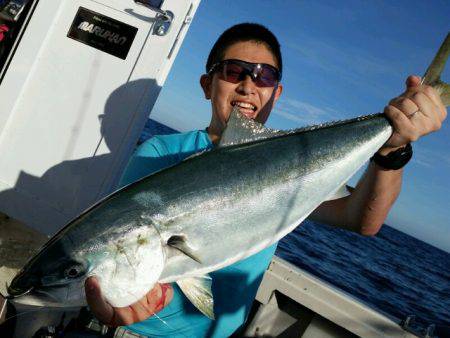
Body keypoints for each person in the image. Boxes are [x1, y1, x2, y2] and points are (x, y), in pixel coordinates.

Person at [84, 23, 447, 337]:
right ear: (207, 84)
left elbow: (361, 219)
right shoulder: (160, 152)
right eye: (233, 71)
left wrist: (393, 150)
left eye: (265, 76)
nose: (248, 84)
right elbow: (123, 247)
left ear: (277, 93)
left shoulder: (294, 164)